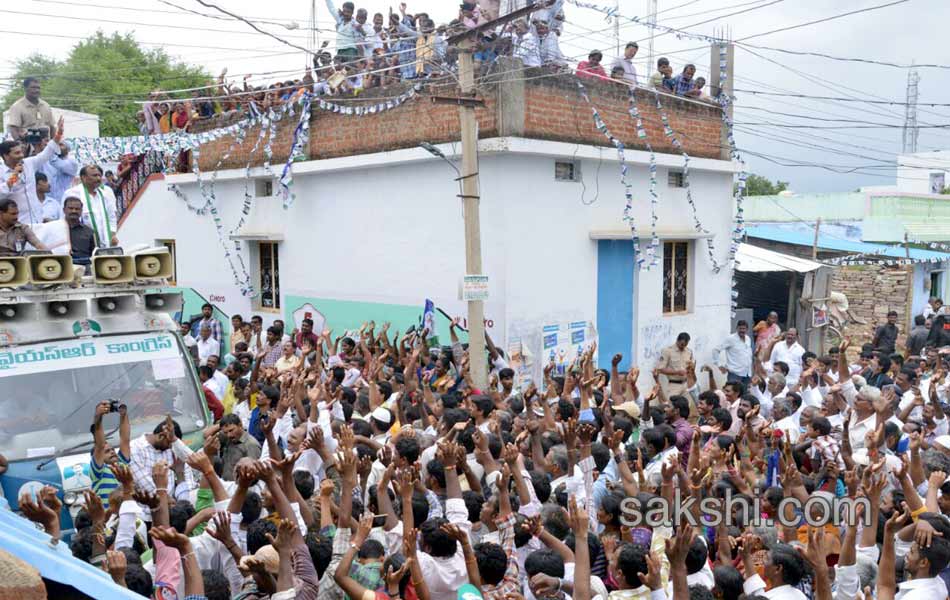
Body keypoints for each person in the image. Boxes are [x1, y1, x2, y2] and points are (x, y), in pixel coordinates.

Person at [0, 116, 65, 225]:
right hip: (16, 224)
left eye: (21, 152)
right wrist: (14, 176)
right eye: (16, 153)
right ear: (6, 156)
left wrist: (58, 133)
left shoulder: (28, 163)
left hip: (37, 219)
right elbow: (1, 194)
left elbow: (46, 153)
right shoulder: (1, 172)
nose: (21, 155)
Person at [64, 164, 119, 248]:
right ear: (83, 178)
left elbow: (112, 217)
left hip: (105, 243)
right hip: (80, 243)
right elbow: (65, 219)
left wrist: (112, 234)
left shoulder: (106, 193)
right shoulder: (72, 193)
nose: (98, 178)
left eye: (99, 175)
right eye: (94, 175)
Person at [90, 400, 131, 509]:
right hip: (106, 519)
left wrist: (123, 414)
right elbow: (100, 445)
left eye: (113, 449)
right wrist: (98, 417)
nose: (112, 452)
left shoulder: (122, 465)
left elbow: (125, 439)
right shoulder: (98, 471)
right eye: (107, 451)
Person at [214, 414, 262, 481]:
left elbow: (254, 473)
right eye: (225, 432)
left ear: (240, 425)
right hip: (226, 485)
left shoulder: (251, 445)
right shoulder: (228, 439)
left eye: (231, 430)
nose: (229, 435)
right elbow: (206, 435)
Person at [714, 320, 754, 386]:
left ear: (747, 329)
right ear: (737, 328)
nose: (742, 330)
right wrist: (719, 365)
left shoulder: (748, 339)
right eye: (740, 328)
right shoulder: (730, 339)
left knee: (744, 395)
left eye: (744, 328)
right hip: (734, 374)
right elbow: (716, 350)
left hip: (747, 374)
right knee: (732, 394)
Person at [63, 195, 96, 266]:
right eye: (70, 208)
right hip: (61, 269)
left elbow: (94, 255)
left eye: (77, 209)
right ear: (64, 210)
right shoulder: (55, 229)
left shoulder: (89, 231)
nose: (74, 211)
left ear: (81, 211)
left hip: (84, 271)